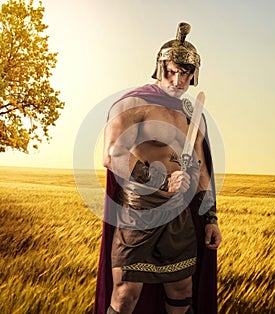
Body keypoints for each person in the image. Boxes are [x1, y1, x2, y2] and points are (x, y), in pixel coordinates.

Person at [94, 22, 222, 314]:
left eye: (185, 73)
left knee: (181, 292)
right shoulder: (133, 105)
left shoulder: (192, 115)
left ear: (194, 74)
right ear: (159, 68)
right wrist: (161, 182)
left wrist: (211, 217)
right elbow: (113, 155)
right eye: (171, 71)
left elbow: (201, 170)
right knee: (126, 292)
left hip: (180, 215)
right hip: (139, 211)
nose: (177, 80)